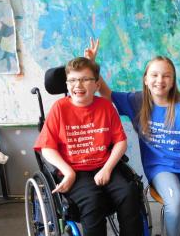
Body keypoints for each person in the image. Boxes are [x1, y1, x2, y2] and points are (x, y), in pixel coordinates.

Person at [85, 39, 180, 236]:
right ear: (146, 79)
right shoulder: (137, 101)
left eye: (166, 76)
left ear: (173, 81)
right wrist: (93, 64)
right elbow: (106, 93)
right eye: (155, 75)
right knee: (175, 202)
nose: (160, 80)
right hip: (159, 167)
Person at [34, 57, 143, 236]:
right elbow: (47, 147)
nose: (78, 85)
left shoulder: (106, 107)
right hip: (75, 171)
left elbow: (120, 142)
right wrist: (67, 172)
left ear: (96, 84)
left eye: (85, 79)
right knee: (92, 201)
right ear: (67, 84)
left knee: (129, 193)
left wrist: (107, 169)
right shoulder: (59, 108)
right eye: (73, 80)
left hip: (104, 166)